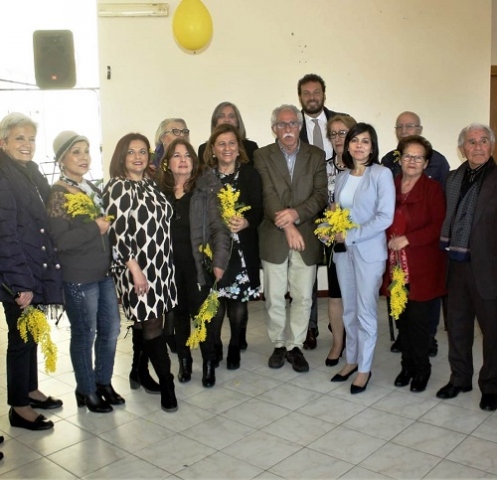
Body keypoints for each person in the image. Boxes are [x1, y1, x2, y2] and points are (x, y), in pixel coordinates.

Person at [47, 131, 123, 413]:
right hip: (79, 276)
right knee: (84, 333)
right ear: (62, 159)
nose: (83, 157)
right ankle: (86, 390)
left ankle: (103, 382)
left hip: (104, 272)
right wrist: (95, 227)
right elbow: (61, 242)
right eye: (76, 151)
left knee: (111, 329)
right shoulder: (58, 193)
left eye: (86, 151)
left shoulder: (90, 187)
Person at [104, 133, 178, 412]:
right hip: (136, 268)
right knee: (151, 324)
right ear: (121, 157)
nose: (138, 156)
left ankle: (138, 371)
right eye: (131, 152)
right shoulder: (117, 188)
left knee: (144, 321)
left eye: (142, 151)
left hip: (161, 266)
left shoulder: (150, 184)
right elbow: (117, 234)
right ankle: (167, 384)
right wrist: (135, 271)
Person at [0, 113, 63, 430]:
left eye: (31, 139)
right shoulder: (2, 175)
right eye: (19, 139)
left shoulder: (29, 170)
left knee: (33, 333)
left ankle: (30, 389)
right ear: (3, 142)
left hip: (34, 269)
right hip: (17, 276)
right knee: (20, 339)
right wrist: (20, 284)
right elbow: (4, 235)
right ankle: (19, 407)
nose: (27, 145)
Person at [254, 104, 328, 373]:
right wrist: (287, 226)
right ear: (274, 128)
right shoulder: (261, 156)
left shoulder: (316, 155)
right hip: (274, 235)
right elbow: (266, 194)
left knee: (303, 297)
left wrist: (296, 215)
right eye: (282, 124)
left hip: (306, 234)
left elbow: (320, 195)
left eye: (293, 124)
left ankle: (295, 345)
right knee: (274, 296)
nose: (288, 129)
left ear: (300, 126)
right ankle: (278, 344)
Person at [157, 138, 230, 388]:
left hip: (199, 265)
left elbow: (220, 229)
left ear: (194, 161)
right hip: (170, 268)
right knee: (179, 317)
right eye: (177, 156)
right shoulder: (160, 193)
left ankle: (209, 362)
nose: (183, 160)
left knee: (204, 317)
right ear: (168, 163)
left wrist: (219, 261)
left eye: (187, 155)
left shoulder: (205, 189)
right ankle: (184, 362)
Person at [436, 123, 497, 412]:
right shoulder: (451, 179)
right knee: (457, 327)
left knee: (493, 332)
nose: (478, 146)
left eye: (483, 141)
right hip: (455, 264)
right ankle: (460, 378)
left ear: (491, 145)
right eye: (471, 142)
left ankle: (492, 386)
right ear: (462, 149)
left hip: (489, 268)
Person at [331, 122, 395, 394]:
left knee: (367, 312)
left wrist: (351, 235)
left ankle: (365, 368)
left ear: (373, 146)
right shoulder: (343, 176)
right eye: (354, 140)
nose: (359, 145)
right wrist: (328, 231)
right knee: (349, 310)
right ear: (348, 146)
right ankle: (352, 360)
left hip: (368, 253)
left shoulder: (382, 174)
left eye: (365, 141)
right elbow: (336, 212)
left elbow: (384, 217)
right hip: (344, 254)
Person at [381, 135, 446, 393]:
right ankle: (406, 366)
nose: (412, 161)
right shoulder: (391, 184)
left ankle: (421, 370)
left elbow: (438, 226)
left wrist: (408, 239)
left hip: (423, 267)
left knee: (419, 323)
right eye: (407, 155)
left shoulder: (433, 189)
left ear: (426, 162)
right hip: (395, 267)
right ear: (400, 158)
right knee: (402, 320)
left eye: (418, 157)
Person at [204, 124, 263, 369]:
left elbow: (259, 209)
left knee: (238, 301)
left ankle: (235, 346)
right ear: (213, 150)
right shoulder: (205, 177)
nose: (227, 148)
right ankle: (215, 344)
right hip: (213, 250)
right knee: (215, 300)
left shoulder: (250, 175)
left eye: (232, 143)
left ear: (239, 149)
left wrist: (247, 220)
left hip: (241, 249)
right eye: (221, 144)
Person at [297, 73, 348, 350]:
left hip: (338, 207)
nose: (312, 97)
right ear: (300, 97)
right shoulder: (293, 125)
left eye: (317, 91)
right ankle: (310, 327)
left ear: (324, 94)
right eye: (306, 93)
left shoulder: (341, 121)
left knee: (338, 272)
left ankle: (338, 322)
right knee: (307, 272)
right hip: (307, 207)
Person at [322, 114, 357, 367]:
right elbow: (319, 203)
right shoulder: (323, 167)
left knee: (356, 295)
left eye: (342, 132)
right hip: (333, 240)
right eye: (333, 133)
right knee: (335, 294)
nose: (337, 138)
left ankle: (357, 344)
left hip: (359, 239)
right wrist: (324, 226)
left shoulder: (364, 166)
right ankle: (337, 343)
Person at [198, 102, 259, 167]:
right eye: (221, 116)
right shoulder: (203, 149)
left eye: (231, 116)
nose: (227, 120)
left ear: (237, 122)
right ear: (215, 123)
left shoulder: (251, 147)